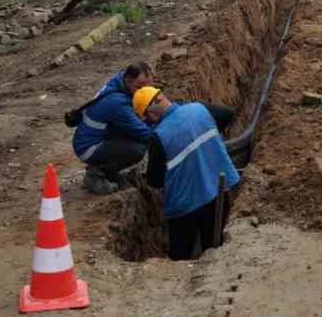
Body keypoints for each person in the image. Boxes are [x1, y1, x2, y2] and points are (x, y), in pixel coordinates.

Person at [67, 63, 237, 195]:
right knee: (138, 149)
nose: (145, 91)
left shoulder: (120, 84)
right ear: (128, 80)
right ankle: (96, 173)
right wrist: (172, 132)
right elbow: (143, 133)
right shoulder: (117, 103)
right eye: (140, 86)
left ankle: (110, 171)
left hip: (105, 137)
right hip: (89, 147)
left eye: (149, 86)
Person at [135, 86, 240, 261]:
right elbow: (228, 114)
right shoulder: (199, 109)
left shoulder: (158, 136)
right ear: (164, 98)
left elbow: (155, 180)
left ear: (151, 116)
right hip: (217, 193)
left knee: (180, 258)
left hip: (184, 207)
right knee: (215, 248)